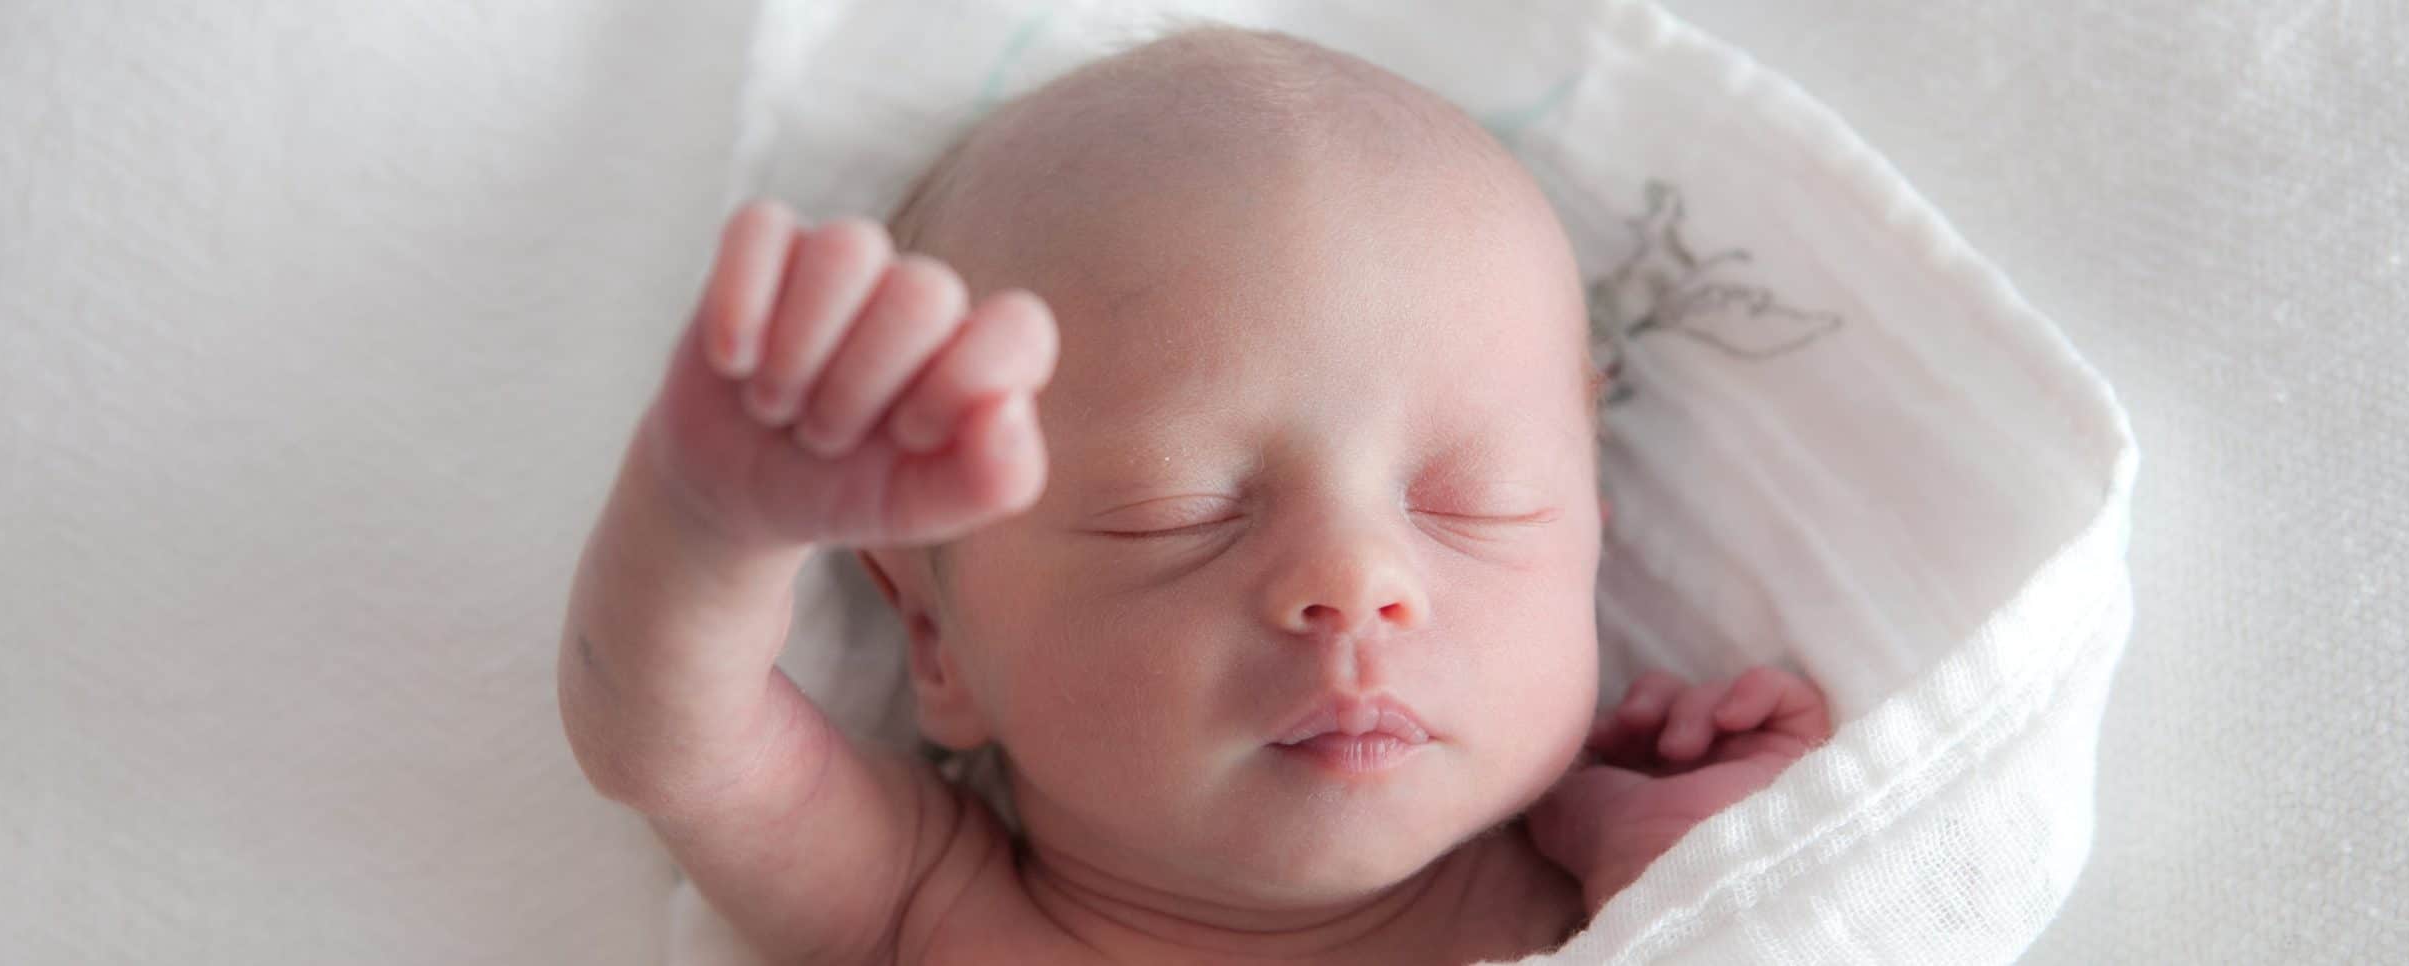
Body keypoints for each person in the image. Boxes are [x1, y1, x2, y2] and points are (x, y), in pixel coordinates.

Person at [559, 26, 1832, 964]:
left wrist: (1723, 886)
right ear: (936, 639)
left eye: (1473, 503)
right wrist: (709, 525)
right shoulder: (928, 905)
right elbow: (673, 745)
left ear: (1589, 560)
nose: (1357, 582)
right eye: (1176, 512)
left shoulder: (1617, 908)